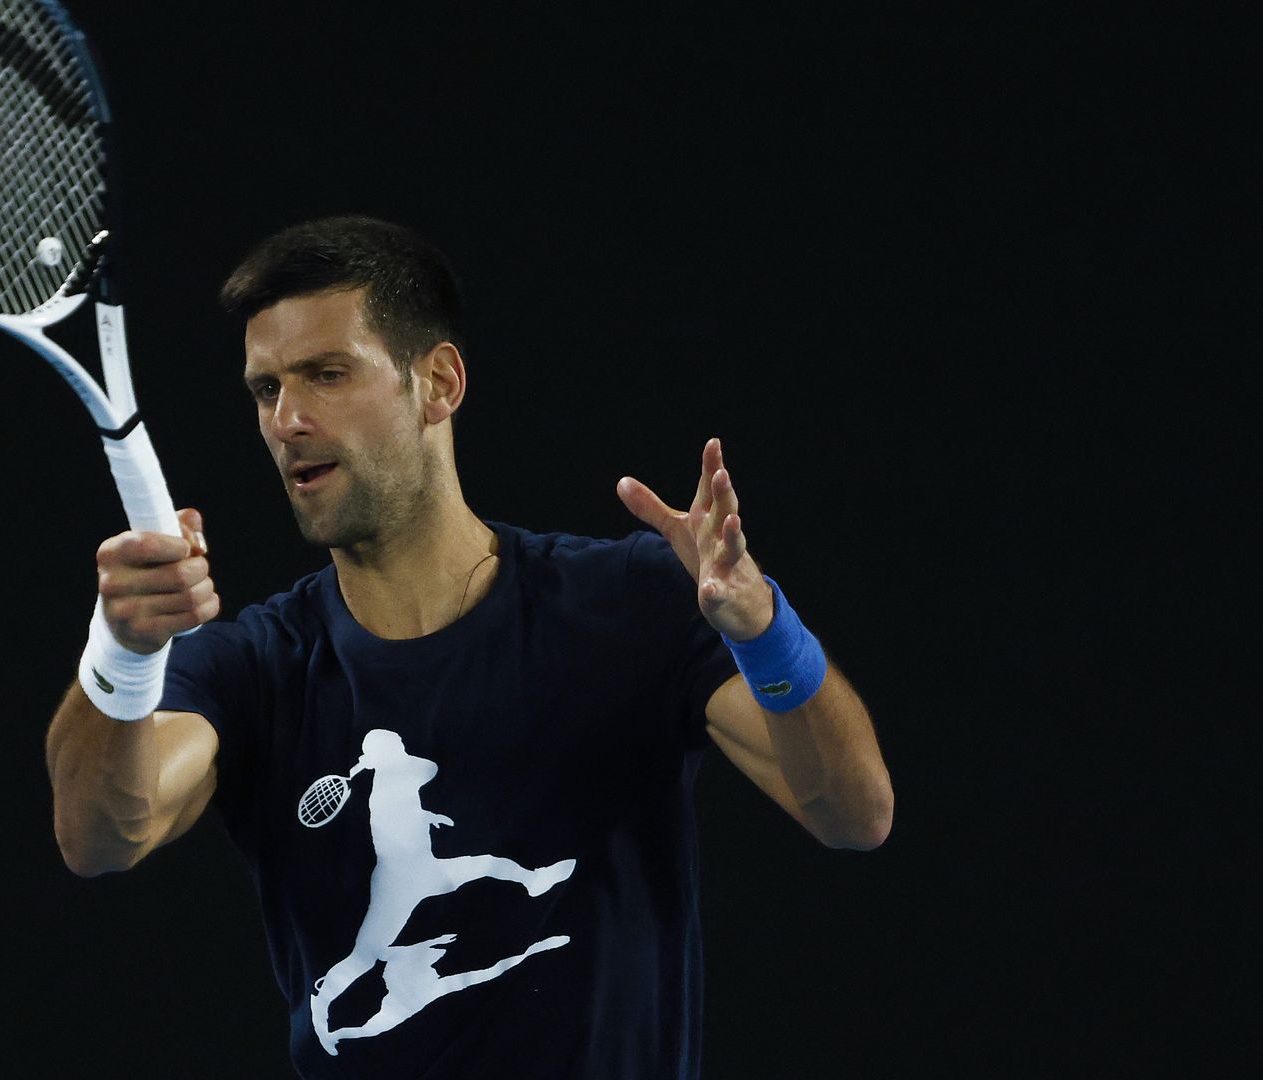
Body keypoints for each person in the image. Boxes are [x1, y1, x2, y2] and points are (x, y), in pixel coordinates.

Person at [44, 215, 893, 1078]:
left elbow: (854, 814)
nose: (288, 419)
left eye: (327, 375)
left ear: (438, 384)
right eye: (265, 390)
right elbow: (100, 835)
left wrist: (765, 632)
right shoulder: (250, 669)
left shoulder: (631, 603)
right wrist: (122, 651)